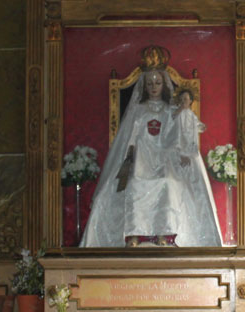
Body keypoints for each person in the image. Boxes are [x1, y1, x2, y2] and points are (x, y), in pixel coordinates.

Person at [80, 68, 221, 247]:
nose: (154, 87)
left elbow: (181, 134)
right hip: (141, 159)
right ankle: (134, 235)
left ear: (164, 85)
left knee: (169, 183)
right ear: (144, 87)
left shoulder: (172, 110)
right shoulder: (137, 110)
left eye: (157, 83)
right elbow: (129, 137)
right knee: (132, 184)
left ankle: (163, 233)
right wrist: (130, 157)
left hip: (165, 160)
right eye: (150, 83)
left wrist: (183, 153)